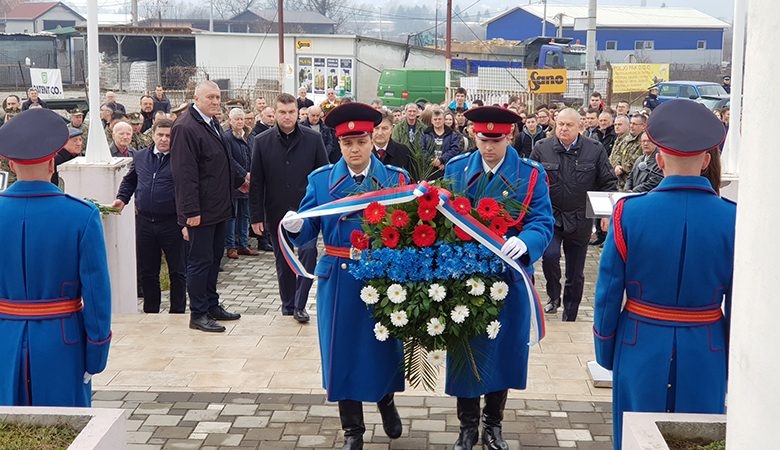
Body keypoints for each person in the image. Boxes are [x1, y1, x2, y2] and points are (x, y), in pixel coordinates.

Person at [593, 100, 734, 449]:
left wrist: (605, 351)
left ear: (658, 158)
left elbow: (608, 293)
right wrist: (731, 355)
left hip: (639, 342)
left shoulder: (629, 213)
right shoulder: (733, 218)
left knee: (636, 437)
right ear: (706, 160)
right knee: (702, 437)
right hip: (707, 345)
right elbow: (741, 303)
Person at [282, 103, 408, 449]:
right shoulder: (322, 181)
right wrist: (296, 227)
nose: (355, 150)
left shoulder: (394, 180)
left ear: (373, 140)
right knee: (342, 353)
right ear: (338, 145)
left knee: (382, 347)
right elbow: (308, 230)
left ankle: (386, 401)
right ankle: (352, 428)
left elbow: (410, 229)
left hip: (382, 278)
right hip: (338, 279)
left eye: (361, 141)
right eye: (347, 143)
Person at [443, 106, 554, 450]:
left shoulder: (530, 174)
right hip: (465, 278)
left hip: (510, 276)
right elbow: (443, 221)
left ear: (510, 137)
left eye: (496, 139)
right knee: (465, 349)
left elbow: (542, 221)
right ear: (473, 135)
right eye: (482, 139)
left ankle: (493, 424)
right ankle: (467, 426)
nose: (488, 147)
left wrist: (527, 241)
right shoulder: (457, 169)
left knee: (503, 350)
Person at [0, 108, 112, 406]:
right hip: (64, 342)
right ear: (53, 162)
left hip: (4, 339)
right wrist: (96, 353)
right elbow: (97, 296)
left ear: (10, 164)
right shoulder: (81, 216)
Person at [170, 80, 245, 332]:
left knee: (214, 259)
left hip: (219, 208)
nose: (216, 101)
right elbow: (184, 173)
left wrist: (242, 179)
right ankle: (198, 313)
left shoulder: (211, 122)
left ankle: (212, 305)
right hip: (199, 212)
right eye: (211, 97)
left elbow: (222, 159)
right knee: (199, 262)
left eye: (218, 97)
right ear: (196, 98)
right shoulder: (185, 127)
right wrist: (190, 212)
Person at [530, 108, 617, 321]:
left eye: (569, 125)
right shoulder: (542, 148)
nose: (564, 128)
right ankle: (553, 296)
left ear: (581, 126)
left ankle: (570, 312)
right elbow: (529, 180)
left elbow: (608, 182)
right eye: (560, 124)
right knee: (549, 257)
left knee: (575, 271)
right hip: (551, 216)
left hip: (580, 218)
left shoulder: (594, 150)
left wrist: (605, 214)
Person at [249, 93, 329, 323]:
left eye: (291, 112)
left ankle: (301, 304)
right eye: (282, 112)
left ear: (297, 112)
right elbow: (256, 182)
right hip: (276, 212)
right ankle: (288, 304)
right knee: (283, 261)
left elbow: (322, 175)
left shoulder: (313, 140)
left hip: (307, 212)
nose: (287, 117)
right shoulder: (262, 141)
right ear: (275, 113)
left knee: (308, 252)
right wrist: (256, 216)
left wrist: (323, 212)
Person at [113, 119, 186, 314]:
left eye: (168, 136)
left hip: (172, 223)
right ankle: (151, 312)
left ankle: (177, 311)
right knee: (148, 272)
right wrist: (122, 198)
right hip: (145, 223)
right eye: (160, 135)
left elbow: (189, 189)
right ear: (152, 135)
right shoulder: (141, 156)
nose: (163, 139)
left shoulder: (181, 158)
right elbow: (130, 181)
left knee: (177, 271)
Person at [223, 108, 258, 259]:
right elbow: (229, 159)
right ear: (230, 120)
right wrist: (244, 174)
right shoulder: (226, 137)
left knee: (245, 214)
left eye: (241, 119)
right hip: (234, 182)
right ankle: (231, 246)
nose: (239, 122)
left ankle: (243, 244)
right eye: (236, 119)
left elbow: (254, 155)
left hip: (250, 181)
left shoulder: (250, 136)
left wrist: (253, 174)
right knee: (232, 215)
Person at [371, 109, 411, 175]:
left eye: (384, 128)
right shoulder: (364, 153)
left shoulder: (404, 151)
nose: (380, 133)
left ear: (391, 129)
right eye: (376, 128)